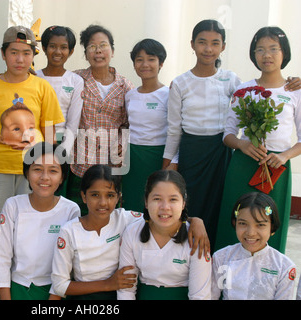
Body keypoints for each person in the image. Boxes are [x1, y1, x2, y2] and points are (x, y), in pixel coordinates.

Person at [51, 164, 209, 300]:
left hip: (116, 294)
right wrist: (107, 284)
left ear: (119, 197)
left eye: (110, 195)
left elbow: (162, 217)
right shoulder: (69, 231)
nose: (103, 202)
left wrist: (195, 221)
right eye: (94, 195)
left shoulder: (124, 219)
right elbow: (59, 285)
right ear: (83, 196)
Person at [215, 27, 301, 254]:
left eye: (274, 49)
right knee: (237, 218)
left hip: (276, 168)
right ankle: (226, 275)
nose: (267, 55)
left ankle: (269, 279)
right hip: (243, 164)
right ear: (254, 54)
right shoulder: (245, 90)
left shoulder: (295, 91)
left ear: (284, 53)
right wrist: (243, 144)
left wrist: (284, 156)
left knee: (270, 221)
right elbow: (228, 134)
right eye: (260, 49)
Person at [162, 20, 241, 249]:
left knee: (219, 208)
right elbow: (174, 128)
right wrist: (168, 163)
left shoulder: (231, 80)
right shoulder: (180, 83)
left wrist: (290, 84)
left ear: (223, 47)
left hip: (221, 152)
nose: (208, 49)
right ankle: (185, 259)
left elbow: (256, 96)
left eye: (215, 43)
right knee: (189, 206)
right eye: (202, 42)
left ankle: (215, 260)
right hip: (191, 154)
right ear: (192, 45)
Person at [0, 25, 65, 213]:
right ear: (3, 54)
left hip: (32, 167)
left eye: (26, 53)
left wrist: (47, 167)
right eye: (13, 52)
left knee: (28, 214)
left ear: (33, 56)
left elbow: (49, 134)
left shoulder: (42, 87)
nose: (20, 59)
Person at [0, 142, 80, 300]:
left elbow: (67, 264)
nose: (44, 177)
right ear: (27, 173)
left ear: (62, 177)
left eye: (53, 171)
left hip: (53, 291)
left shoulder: (70, 210)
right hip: (15, 288)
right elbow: (2, 257)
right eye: (37, 169)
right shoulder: (13, 205)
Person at [66, 25, 134, 215]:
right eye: (92, 47)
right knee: (77, 214)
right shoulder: (76, 78)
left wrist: (122, 142)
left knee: (107, 214)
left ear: (112, 50)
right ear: (86, 53)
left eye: (103, 45)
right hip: (80, 162)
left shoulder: (125, 85)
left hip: (111, 163)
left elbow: (130, 123)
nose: (98, 51)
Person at [117, 170, 211, 300]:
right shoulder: (132, 232)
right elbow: (126, 289)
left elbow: (200, 296)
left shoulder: (196, 238)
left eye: (173, 199)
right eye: (157, 199)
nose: (165, 207)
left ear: (183, 203)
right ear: (146, 201)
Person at [212, 192, 297, 300]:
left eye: (260, 225)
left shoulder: (284, 267)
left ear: (272, 227)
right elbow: (210, 296)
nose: (251, 232)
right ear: (235, 223)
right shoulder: (222, 257)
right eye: (243, 223)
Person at [121, 38, 172, 212]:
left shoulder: (168, 94)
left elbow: (175, 130)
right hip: (132, 157)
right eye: (139, 59)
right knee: (133, 202)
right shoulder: (130, 95)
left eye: (151, 59)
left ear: (161, 63)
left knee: (156, 203)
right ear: (134, 64)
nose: (145, 64)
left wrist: (170, 161)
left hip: (157, 155)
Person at [36, 25, 83, 155]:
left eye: (63, 47)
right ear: (44, 48)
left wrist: (63, 151)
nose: (57, 52)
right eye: (52, 46)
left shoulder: (75, 81)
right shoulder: (34, 77)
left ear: (71, 51)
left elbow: (73, 123)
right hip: (35, 139)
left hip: (62, 141)